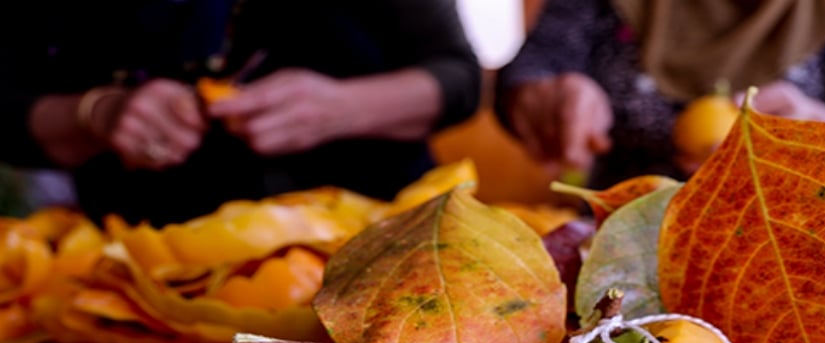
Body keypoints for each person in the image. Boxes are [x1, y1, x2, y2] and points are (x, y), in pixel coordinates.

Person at [0, 1, 481, 226]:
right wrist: (96, 113)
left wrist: (343, 109)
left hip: (383, 243)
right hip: (150, 269)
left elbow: (459, 81)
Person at [495, 0, 825, 188]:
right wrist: (547, 96)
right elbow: (529, 70)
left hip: (802, 242)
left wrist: (821, 131)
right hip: (621, 244)